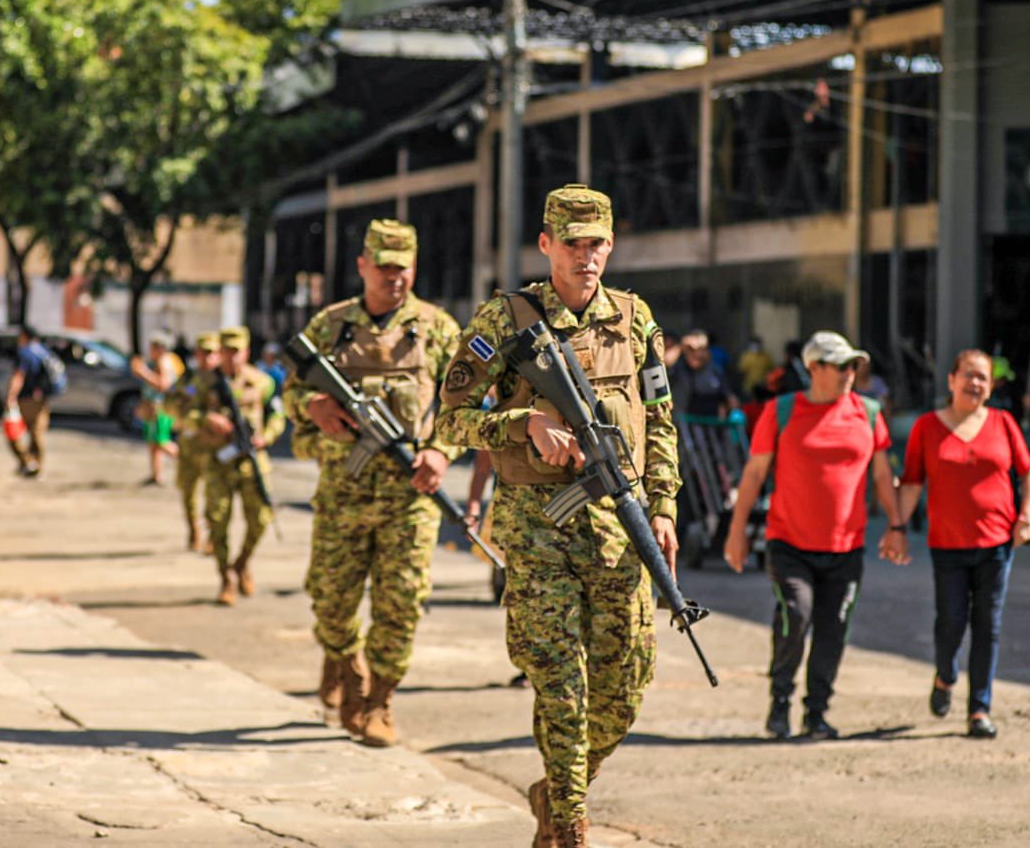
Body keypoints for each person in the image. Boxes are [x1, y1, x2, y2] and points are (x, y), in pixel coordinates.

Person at [436, 184, 679, 848]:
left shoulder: (634, 318)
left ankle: (559, 784)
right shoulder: (504, 319)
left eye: (596, 241)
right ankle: (568, 821)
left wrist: (664, 507)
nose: (586, 255)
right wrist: (524, 423)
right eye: (572, 243)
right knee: (560, 686)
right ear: (545, 245)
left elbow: (659, 418)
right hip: (537, 527)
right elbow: (451, 416)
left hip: (619, 529)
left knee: (623, 687)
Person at [283, 219, 464, 749]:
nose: (393, 278)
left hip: (411, 497)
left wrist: (441, 450)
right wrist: (311, 405)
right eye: (383, 267)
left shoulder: (437, 328)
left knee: (402, 601)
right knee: (330, 601)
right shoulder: (330, 325)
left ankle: (380, 698)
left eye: (402, 268)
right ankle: (343, 660)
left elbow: (467, 402)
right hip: (343, 490)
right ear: (362, 265)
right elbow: (289, 393)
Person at [723, 331, 903, 742]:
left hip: (846, 546)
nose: (848, 373)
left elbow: (881, 476)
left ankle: (817, 712)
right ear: (813, 368)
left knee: (833, 629)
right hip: (790, 543)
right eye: (839, 366)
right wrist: (737, 533)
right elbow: (753, 474)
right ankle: (780, 702)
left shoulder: (870, 413)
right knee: (796, 616)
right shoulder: (782, 411)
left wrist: (896, 527)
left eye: (852, 366)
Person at [897, 349, 1030, 740]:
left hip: (997, 543)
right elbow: (911, 482)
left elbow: (1028, 472)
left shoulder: (1004, 422)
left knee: (987, 625)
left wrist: (1027, 517)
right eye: (969, 375)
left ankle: (979, 708)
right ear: (951, 380)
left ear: (990, 386)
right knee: (950, 623)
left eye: (983, 377)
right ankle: (945, 675)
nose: (975, 383)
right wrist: (896, 527)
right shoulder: (927, 427)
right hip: (947, 544)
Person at [191, 326, 283, 606]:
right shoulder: (204, 382)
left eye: (237, 351)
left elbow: (277, 415)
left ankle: (242, 562)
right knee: (217, 521)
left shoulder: (263, 382)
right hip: (219, 461)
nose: (232, 357)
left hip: (252, 462)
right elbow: (181, 411)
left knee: (261, 519)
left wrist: (265, 437)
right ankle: (226, 578)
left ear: (246, 352)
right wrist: (207, 419)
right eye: (226, 351)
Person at [165, 331, 221, 552]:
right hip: (189, 444)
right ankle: (193, 530)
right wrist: (184, 414)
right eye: (202, 352)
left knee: (214, 494)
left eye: (211, 353)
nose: (206, 358)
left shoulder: (222, 381)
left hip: (214, 447)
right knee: (187, 491)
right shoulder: (187, 379)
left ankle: (212, 535)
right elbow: (169, 404)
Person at [131, 330, 185, 486]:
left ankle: (187, 461)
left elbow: (163, 385)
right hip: (152, 406)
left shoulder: (164, 362)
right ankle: (156, 475)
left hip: (160, 407)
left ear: (160, 348)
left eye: (153, 347)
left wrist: (143, 372)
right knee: (152, 443)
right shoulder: (159, 361)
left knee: (161, 442)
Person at [5, 325, 55, 477]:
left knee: (14, 432)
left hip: (26, 399)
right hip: (42, 399)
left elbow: (18, 376)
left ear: (24, 336)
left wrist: (10, 397)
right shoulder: (43, 352)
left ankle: (26, 462)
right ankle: (36, 464)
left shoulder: (24, 353)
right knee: (37, 433)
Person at [669, 329, 735, 419]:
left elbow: (727, 394)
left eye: (702, 349)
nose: (697, 354)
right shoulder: (677, 368)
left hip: (709, 427)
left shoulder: (714, 370)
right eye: (692, 349)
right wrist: (680, 347)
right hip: (682, 424)